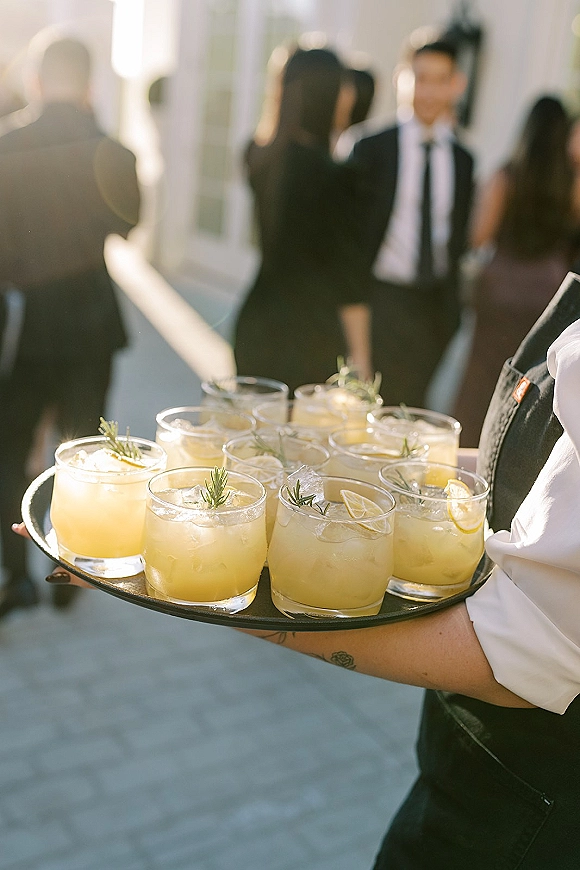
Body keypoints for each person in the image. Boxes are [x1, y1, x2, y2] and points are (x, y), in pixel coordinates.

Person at [25, 273, 580, 867]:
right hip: (473, 764)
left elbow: (529, 654)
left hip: (534, 805)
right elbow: (531, 476)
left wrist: (210, 595)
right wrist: (336, 463)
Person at [0, 36, 140, 620]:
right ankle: (71, 567)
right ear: (87, 84)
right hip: (90, 319)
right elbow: (128, 223)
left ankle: (16, 574)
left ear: (36, 80)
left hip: (26, 321)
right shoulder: (110, 147)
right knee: (84, 450)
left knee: (9, 447)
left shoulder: (6, 143)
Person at [233, 46, 372, 393]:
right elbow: (349, 280)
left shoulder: (258, 155)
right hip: (311, 336)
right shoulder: (338, 177)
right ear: (328, 94)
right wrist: (363, 361)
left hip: (257, 321)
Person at [352, 39, 474, 406]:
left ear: (456, 84)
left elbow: (457, 239)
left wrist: (450, 315)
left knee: (414, 413)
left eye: (441, 80)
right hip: (378, 300)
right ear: (401, 79)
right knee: (366, 410)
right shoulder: (371, 148)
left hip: (433, 307)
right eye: (420, 78)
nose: (430, 91)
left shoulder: (463, 159)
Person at [454, 95, 580, 446]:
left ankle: (464, 449)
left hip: (497, 293)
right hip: (545, 294)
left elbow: (478, 236)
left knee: (479, 379)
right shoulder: (572, 183)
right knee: (528, 383)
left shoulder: (505, 176)